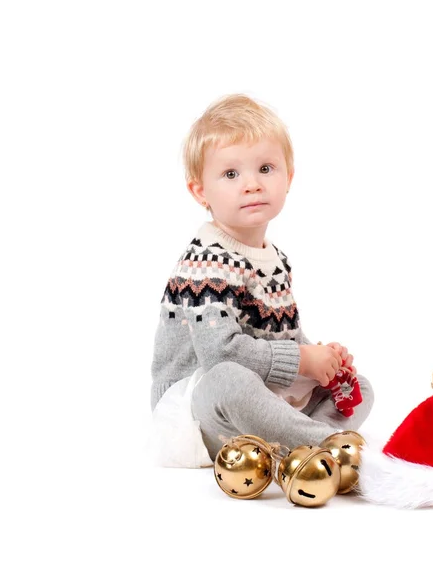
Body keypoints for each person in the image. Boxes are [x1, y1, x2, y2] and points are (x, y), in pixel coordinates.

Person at [149, 93, 374, 466]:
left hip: (260, 392)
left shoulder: (273, 258)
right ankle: (329, 447)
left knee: (357, 387)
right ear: (200, 191)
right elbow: (221, 353)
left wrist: (323, 359)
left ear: (289, 177)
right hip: (195, 410)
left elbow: (277, 334)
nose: (251, 184)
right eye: (231, 174)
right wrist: (302, 359)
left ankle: (290, 444)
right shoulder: (206, 263)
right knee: (228, 379)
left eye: (266, 169)